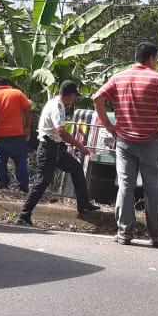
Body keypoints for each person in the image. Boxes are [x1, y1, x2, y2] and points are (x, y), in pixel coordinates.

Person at [94, 42, 158, 247]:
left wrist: (109, 125)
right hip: (150, 141)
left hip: (124, 140)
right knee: (153, 188)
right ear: (152, 58)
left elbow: (98, 97)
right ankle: (157, 235)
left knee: (126, 186)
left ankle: (125, 233)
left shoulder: (119, 77)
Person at [16, 81, 101, 226]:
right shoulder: (56, 107)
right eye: (74, 96)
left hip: (54, 147)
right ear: (70, 95)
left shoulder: (56, 103)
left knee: (76, 167)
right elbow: (60, 130)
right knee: (41, 182)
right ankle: (24, 215)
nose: (74, 99)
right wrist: (79, 145)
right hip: (48, 148)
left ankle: (83, 204)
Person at [0, 76, 32, 193]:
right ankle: (23, 188)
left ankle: (3, 187)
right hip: (17, 134)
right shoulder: (17, 93)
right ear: (8, 84)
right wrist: (28, 127)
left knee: (0, 162)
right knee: (20, 161)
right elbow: (28, 109)